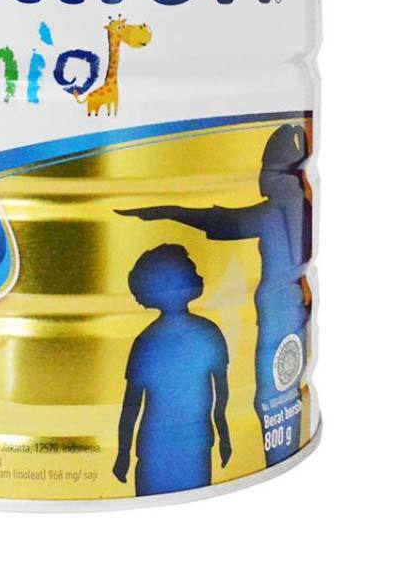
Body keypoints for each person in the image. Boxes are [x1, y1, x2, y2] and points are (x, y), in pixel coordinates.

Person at [117, 124, 312, 467]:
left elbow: (222, 221)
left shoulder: (277, 211)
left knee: (271, 396)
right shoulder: (297, 207)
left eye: (266, 168)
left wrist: (167, 211)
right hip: (290, 313)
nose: (261, 178)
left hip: (278, 317)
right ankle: (279, 453)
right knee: (280, 394)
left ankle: (277, 455)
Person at [113, 244, 231, 496]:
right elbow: (221, 397)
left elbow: (131, 406)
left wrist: (123, 453)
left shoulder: (147, 341)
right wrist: (122, 452)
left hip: (182, 442)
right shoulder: (207, 333)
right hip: (179, 442)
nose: (199, 274)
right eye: (191, 269)